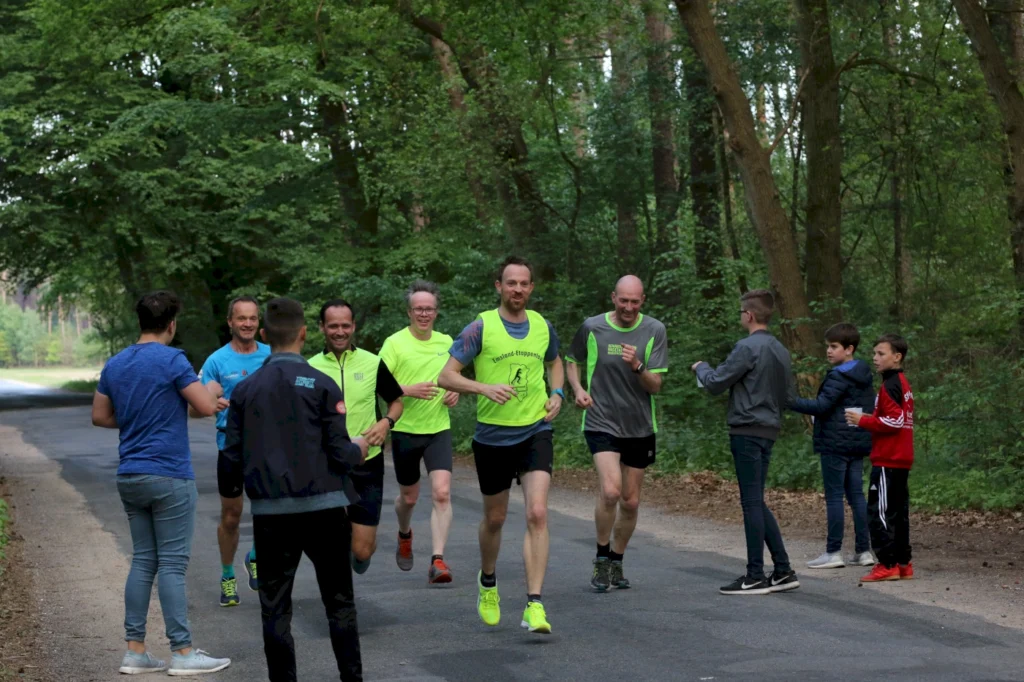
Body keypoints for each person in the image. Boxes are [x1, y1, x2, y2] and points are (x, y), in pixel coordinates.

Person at [220, 297, 368, 682]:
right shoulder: (323, 383)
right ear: (304, 333)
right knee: (339, 604)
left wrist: (236, 492)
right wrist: (360, 449)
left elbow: (230, 458)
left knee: (274, 608)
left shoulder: (245, 391)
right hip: (326, 510)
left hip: (272, 515)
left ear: (266, 336)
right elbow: (341, 453)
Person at [92, 291, 231, 676]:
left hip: (130, 475)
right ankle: (183, 653)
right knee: (171, 564)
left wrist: (143, 419)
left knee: (143, 561)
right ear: (172, 324)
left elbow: (100, 416)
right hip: (168, 474)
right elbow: (203, 406)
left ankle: (135, 650)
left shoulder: (116, 362)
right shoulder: (173, 359)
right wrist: (214, 392)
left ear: (140, 322)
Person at [438, 256, 564, 635]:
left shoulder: (542, 325)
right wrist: (483, 388)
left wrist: (557, 392)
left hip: (535, 431)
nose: (518, 290)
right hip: (493, 436)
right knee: (495, 518)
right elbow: (446, 377)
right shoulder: (481, 327)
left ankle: (534, 605)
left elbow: (555, 362)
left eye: (524, 283)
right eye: (511, 283)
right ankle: (488, 581)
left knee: (537, 513)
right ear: (498, 286)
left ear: (531, 287)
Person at [691, 289, 800, 596]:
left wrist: (701, 367)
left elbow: (715, 383)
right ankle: (782, 570)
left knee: (751, 501)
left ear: (749, 315)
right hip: (769, 429)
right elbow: (788, 397)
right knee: (756, 499)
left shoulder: (747, 347)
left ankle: (754, 574)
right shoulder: (781, 350)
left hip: (747, 429)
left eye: (741, 313)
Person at [565, 275, 667, 592]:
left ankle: (617, 562)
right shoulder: (593, 327)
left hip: (639, 424)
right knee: (611, 491)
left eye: (634, 301)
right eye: (623, 300)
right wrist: (578, 389)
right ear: (613, 297)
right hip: (601, 419)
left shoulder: (654, 330)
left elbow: (656, 386)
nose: (628, 307)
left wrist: (637, 366)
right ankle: (601, 557)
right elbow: (571, 361)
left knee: (631, 501)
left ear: (643, 300)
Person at [308, 299, 403, 575]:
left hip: (367, 463)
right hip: (327, 465)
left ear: (354, 327)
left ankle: (357, 551)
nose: (340, 331)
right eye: (333, 326)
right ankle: (339, 603)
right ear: (322, 328)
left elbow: (396, 401)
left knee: (362, 550)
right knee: (331, 542)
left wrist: (386, 422)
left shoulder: (373, 363)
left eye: (345, 325)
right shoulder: (310, 367)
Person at [379, 280, 459, 584]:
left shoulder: (446, 341)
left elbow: (455, 378)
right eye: (418, 309)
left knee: (441, 493)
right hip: (405, 430)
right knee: (409, 499)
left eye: (429, 309)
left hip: (438, 428)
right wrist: (408, 390)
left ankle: (438, 560)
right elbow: (379, 384)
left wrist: (455, 394)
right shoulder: (394, 343)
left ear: (436, 312)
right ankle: (404, 533)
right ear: (409, 312)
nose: (424, 314)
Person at [194, 296, 270, 606]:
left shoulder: (270, 355)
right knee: (231, 515)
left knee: (269, 512)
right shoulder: (216, 361)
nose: (248, 323)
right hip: (231, 446)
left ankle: (255, 556)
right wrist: (210, 402)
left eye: (253, 318)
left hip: (266, 444)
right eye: (242, 318)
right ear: (230, 322)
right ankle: (228, 576)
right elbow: (195, 407)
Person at [789, 323, 875, 569]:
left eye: (833, 346)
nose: (828, 351)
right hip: (857, 441)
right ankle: (863, 551)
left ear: (849, 349)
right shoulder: (864, 374)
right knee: (856, 496)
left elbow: (821, 407)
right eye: (827, 346)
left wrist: (788, 401)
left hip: (835, 444)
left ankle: (833, 551)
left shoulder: (839, 375)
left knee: (835, 496)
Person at [845, 333, 915, 583]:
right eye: (874, 353)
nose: (875, 358)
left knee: (879, 512)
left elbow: (895, 421)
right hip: (899, 459)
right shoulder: (900, 382)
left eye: (881, 354)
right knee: (897, 512)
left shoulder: (891, 385)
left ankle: (887, 563)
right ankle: (903, 563)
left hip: (889, 460)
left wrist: (862, 420)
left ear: (897, 357)